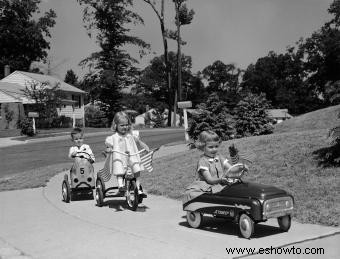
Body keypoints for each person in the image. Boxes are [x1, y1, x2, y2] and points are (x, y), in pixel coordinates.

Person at [105, 111, 150, 198]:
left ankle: (138, 188)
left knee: (137, 169)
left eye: (126, 124)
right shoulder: (114, 137)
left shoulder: (131, 135)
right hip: (120, 157)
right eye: (122, 125)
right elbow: (108, 145)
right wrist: (109, 149)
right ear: (115, 126)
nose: (125, 127)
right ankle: (121, 185)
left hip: (132, 156)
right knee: (119, 169)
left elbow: (139, 142)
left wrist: (145, 147)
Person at [182, 130, 233, 204]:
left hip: (220, 182)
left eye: (216, 146)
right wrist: (221, 180)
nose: (214, 149)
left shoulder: (219, 157)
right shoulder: (203, 161)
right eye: (211, 147)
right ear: (203, 147)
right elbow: (210, 180)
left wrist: (240, 168)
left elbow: (231, 168)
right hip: (208, 185)